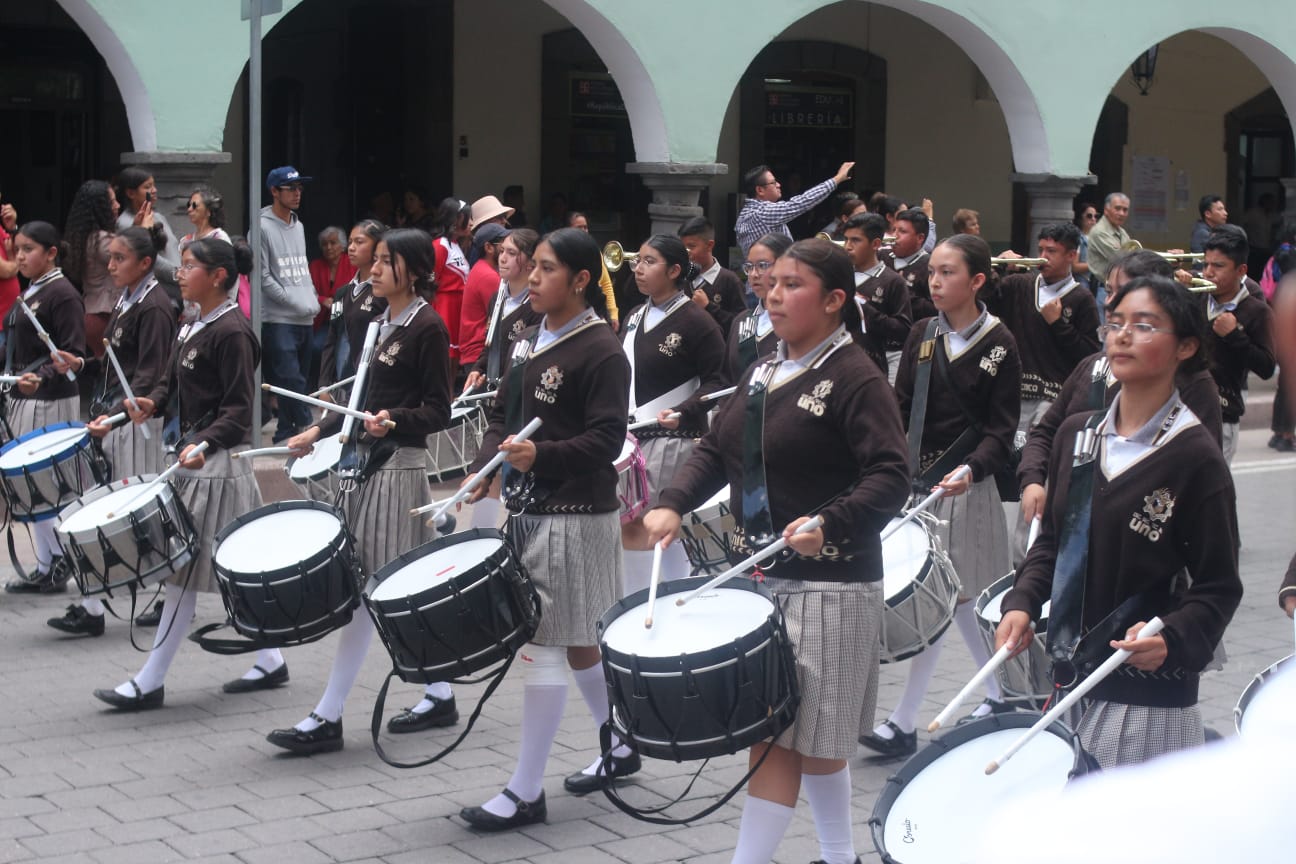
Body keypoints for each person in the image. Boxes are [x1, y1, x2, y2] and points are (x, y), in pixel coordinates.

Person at [643, 238, 910, 864]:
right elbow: (717, 446)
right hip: (759, 578)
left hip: (830, 583)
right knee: (780, 733)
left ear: (835, 300)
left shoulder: (855, 377)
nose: (774, 293)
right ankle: (839, 855)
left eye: (793, 284)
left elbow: (890, 475)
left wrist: (833, 521)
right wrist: (673, 500)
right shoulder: (763, 367)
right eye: (772, 282)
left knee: (797, 737)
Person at [996, 274, 1242, 769]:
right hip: (1069, 671)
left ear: (1186, 347)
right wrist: (1022, 601)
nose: (1122, 335)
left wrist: (1172, 639)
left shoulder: (1195, 455)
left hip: (1145, 689)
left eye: (1144, 325)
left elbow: (1218, 584)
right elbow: (1056, 542)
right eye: (1115, 323)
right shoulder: (1077, 434)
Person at [456, 228, 630, 830]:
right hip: (530, 510)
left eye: (547, 269)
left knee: (548, 645)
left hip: (575, 513)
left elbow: (608, 441)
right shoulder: (529, 339)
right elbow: (504, 417)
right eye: (533, 267)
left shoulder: (602, 349)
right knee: (578, 640)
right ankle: (624, 740)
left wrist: (541, 457)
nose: (532, 277)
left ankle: (526, 790)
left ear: (581, 281)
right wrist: (485, 471)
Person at [266, 228, 453, 753]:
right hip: (365, 464)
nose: (373, 267)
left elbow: (439, 410)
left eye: (386, 261)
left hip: (399, 467)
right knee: (373, 588)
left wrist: (393, 420)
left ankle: (332, 714)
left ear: (412, 271)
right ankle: (436, 692)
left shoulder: (428, 327)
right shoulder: (377, 323)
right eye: (376, 260)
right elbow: (359, 396)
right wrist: (317, 430)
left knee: (377, 590)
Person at [95, 236, 277, 709]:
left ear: (218, 275)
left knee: (184, 573)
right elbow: (167, 385)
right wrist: (143, 405)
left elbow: (239, 412)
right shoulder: (191, 323)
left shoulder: (233, 332)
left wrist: (203, 443)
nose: (179, 272)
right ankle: (273, 658)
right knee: (219, 570)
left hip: (216, 465)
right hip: (192, 458)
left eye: (190, 265)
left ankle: (150, 680)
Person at [860, 234, 1021, 758]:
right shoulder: (921, 334)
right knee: (943, 600)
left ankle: (925, 715)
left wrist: (973, 469)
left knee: (959, 599)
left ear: (976, 280)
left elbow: (1003, 430)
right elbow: (900, 404)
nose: (934, 280)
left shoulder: (1001, 343)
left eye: (948, 272)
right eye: (933, 271)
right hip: (917, 485)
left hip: (966, 486)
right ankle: (997, 695)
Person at [1018, 251, 1224, 536]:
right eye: (1110, 291)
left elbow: (1197, 483)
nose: (1113, 303)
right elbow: (1045, 432)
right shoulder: (1091, 371)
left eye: (1128, 292)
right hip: (1069, 524)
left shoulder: (1193, 385)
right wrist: (1033, 480)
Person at [47, 225, 179, 636]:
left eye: (119, 258)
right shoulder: (127, 299)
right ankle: (94, 606)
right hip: (117, 418)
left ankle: (170, 594)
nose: (110, 265)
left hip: (139, 423)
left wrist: (117, 417)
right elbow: (116, 366)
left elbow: (152, 375)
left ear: (144, 263)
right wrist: (83, 364)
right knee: (111, 510)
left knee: (141, 512)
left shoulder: (154, 306)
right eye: (110, 257)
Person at [619, 235, 728, 590]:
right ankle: (645, 599)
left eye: (650, 262)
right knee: (631, 525)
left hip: (672, 438)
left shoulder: (697, 321)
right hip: (632, 438)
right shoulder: (634, 316)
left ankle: (664, 596)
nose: (639, 268)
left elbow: (719, 380)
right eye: (640, 261)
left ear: (675, 270)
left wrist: (684, 410)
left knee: (653, 526)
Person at [1, 222, 86, 594]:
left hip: (49, 402)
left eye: (28, 249)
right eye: (16, 249)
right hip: (23, 398)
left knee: (50, 485)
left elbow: (74, 352)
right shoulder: (31, 290)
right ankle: (45, 564)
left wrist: (45, 376)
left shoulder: (62, 294)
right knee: (30, 487)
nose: (20, 256)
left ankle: (63, 561)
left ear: (51, 253)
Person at [1199, 228, 1276, 463]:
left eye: (1218, 266)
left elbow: (1266, 367)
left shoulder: (1256, 310)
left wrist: (1234, 335)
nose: (1209, 273)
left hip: (1223, 413)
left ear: (1241, 270)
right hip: (1184, 408)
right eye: (1206, 265)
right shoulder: (1197, 297)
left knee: (1211, 492)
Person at [259, 166, 320, 443]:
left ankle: (285, 431)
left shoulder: (300, 225)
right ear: (274, 191)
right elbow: (263, 277)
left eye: (299, 188)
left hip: (305, 315)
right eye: (290, 188)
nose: (297, 194)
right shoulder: (261, 226)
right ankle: (307, 424)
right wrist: (294, 301)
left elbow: (301, 268)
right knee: (290, 377)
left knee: (295, 380)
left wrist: (311, 298)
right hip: (278, 317)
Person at [317, 219, 386, 396]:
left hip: (376, 384)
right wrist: (325, 384)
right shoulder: (342, 294)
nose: (351, 247)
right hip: (346, 382)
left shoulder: (386, 292)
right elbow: (333, 338)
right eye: (350, 242)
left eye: (359, 242)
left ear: (378, 246)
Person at [843, 212, 912, 383]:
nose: (848, 246)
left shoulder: (892, 281)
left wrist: (864, 308)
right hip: (838, 365)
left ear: (875, 244)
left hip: (871, 369)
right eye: (846, 239)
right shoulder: (839, 276)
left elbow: (903, 330)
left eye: (856, 240)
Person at [734, 161, 855, 256]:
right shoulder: (761, 212)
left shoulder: (749, 212)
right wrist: (837, 178)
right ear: (760, 190)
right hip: (770, 283)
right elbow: (802, 202)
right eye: (773, 182)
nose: (779, 185)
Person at [63, 180, 122, 355]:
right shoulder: (102, 241)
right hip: (105, 314)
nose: (118, 205)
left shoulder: (84, 237)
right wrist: (143, 231)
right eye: (111, 202)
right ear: (99, 207)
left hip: (91, 311)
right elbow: (132, 257)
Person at [727, 233, 791, 380]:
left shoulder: (801, 322)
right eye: (749, 267)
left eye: (762, 266)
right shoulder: (741, 321)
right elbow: (725, 379)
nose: (754, 274)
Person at [678, 216, 748, 336]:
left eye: (691, 247)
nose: (686, 253)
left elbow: (742, 325)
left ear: (709, 245)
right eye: (683, 247)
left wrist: (709, 306)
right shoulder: (681, 278)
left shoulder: (730, 280)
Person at [308, 226, 357, 388]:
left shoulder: (352, 263)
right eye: (324, 244)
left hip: (347, 320)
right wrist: (322, 299)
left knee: (345, 352)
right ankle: (319, 385)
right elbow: (308, 290)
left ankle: (340, 388)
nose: (328, 247)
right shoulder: (315, 266)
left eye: (333, 243)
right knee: (315, 347)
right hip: (323, 321)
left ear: (342, 245)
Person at [458, 223, 509, 371]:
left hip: (476, 353)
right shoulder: (489, 276)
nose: (506, 251)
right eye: (503, 245)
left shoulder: (481, 268)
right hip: (479, 355)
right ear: (488, 247)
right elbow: (504, 317)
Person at [880, 208, 935, 319]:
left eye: (902, 231)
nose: (895, 236)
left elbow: (936, 309)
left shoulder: (930, 266)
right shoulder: (880, 256)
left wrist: (903, 292)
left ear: (920, 238)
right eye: (894, 230)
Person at [566, 211, 618, 326]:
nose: (584, 231)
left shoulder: (594, 251)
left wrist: (613, 313)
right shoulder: (563, 254)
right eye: (579, 227)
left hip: (597, 311)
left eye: (585, 227)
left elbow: (606, 283)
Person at [1085, 192, 1132, 305]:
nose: (1121, 213)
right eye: (1118, 208)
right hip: (1104, 291)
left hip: (1119, 289)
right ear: (1106, 210)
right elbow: (1124, 258)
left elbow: (1134, 254)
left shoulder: (1121, 232)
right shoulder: (1100, 231)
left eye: (1125, 210)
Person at [0, 203, 18, 354]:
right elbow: (5, 271)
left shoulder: (1, 230)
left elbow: (17, 252)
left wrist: (11, 228)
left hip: (7, 319)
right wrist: (16, 262)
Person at [1074, 202, 1098, 294]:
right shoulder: (1078, 239)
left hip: (1096, 283)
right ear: (1081, 218)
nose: (1093, 219)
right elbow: (1075, 267)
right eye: (1089, 216)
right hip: (1083, 282)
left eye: (1095, 216)